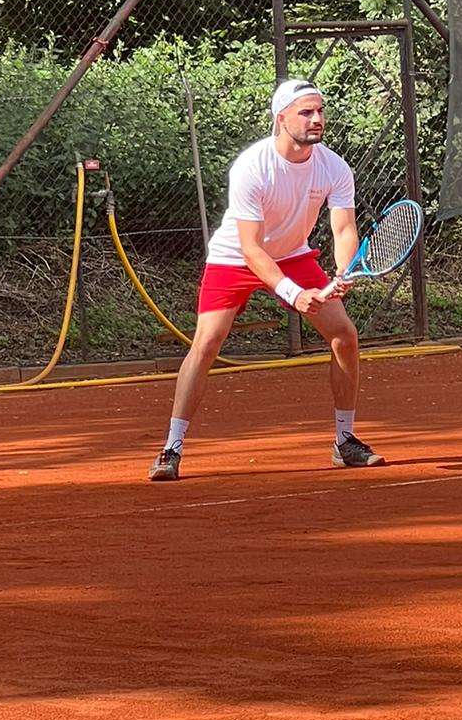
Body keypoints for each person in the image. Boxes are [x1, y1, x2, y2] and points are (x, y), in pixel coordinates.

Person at [149, 78, 385, 480]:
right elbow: (251, 247)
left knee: (344, 334)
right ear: (282, 119)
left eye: (320, 111)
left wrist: (344, 271)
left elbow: (344, 230)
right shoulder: (252, 166)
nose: (317, 119)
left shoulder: (333, 166)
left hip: (294, 254)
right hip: (237, 257)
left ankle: (344, 441)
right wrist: (293, 294)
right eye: (306, 112)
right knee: (206, 343)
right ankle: (171, 448)